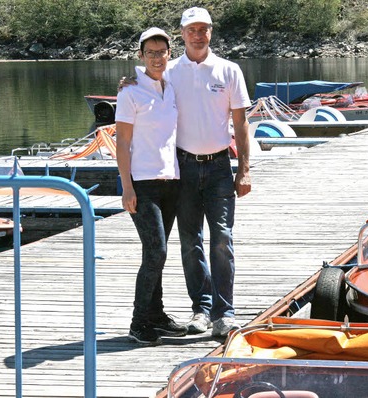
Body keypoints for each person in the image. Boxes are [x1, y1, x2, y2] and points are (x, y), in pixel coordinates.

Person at [170, 7, 252, 338]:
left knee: (222, 239)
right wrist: (129, 80)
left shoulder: (229, 70)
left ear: (211, 32)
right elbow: (143, 93)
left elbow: (241, 123)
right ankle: (201, 310)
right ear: (182, 34)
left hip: (219, 166)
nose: (198, 34)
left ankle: (225, 312)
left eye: (204, 29)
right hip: (183, 167)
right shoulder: (170, 71)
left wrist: (243, 169)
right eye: (192, 29)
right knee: (190, 241)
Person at [115, 27, 187, 345]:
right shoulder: (130, 92)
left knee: (156, 253)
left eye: (162, 51)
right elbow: (122, 143)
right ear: (141, 55)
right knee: (156, 250)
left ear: (170, 54)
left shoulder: (173, 86)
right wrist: (126, 187)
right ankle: (138, 321)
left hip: (171, 181)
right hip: (142, 184)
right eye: (151, 52)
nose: (157, 57)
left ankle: (156, 316)